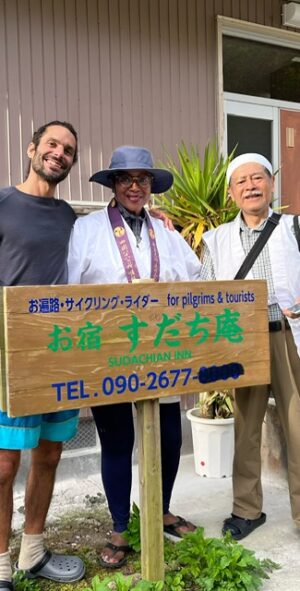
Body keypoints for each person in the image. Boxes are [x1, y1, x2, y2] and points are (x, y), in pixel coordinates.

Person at [67, 145, 202, 568]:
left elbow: (194, 276)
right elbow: (71, 286)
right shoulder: (87, 228)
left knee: (169, 437)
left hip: (162, 350)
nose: (134, 186)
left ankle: (160, 511)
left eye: (142, 179)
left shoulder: (164, 230)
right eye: (124, 178)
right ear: (112, 184)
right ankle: (120, 528)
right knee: (117, 441)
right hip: (109, 351)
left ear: (150, 187)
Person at [0, 121, 85, 590]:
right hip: (8, 353)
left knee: (49, 454)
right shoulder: (4, 203)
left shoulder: (71, 216)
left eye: (68, 149)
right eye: (51, 144)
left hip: (59, 352)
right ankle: (1, 562)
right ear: (32, 148)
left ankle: (34, 549)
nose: (59, 153)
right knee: (4, 464)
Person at [200, 152, 300, 540]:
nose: (251, 186)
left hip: (289, 337)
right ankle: (246, 510)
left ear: (272, 184)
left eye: (258, 178)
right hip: (243, 340)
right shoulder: (217, 239)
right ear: (231, 193)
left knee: (297, 425)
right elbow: (206, 294)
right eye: (241, 182)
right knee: (246, 427)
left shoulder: (293, 228)